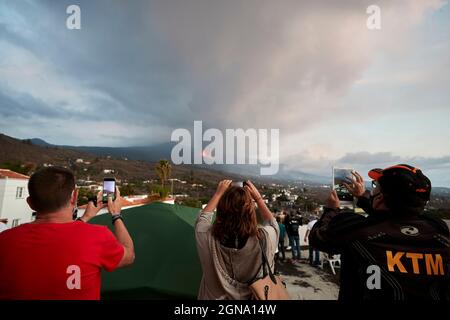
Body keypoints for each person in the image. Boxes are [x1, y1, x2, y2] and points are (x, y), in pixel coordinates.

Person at [309, 164, 450, 301]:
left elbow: (317, 238)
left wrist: (331, 210)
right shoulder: (439, 229)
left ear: (380, 198)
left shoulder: (356, 228)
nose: (374, 190)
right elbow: (393, 217)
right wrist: (363, 197)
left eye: (376, 186)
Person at [0, 166, 135, 300]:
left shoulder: (5, 240)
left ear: (30, 203)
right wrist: (116, 214)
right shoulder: (98, 237)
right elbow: (129, 256)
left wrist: (85, 217)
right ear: (74, 196)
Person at [195, 180, 279, 300]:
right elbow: (273, 224)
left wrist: (218, 194)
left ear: (221, 210)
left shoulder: (206, 237)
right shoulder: (265, 238)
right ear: (250, 211)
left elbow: (202, 219)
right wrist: (258, 199)